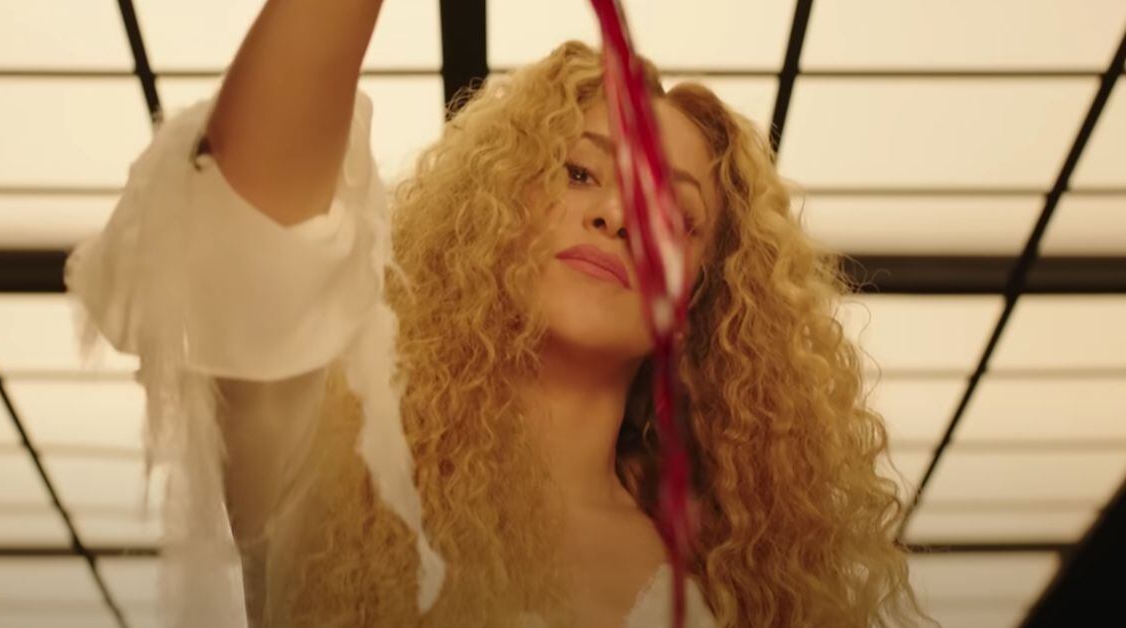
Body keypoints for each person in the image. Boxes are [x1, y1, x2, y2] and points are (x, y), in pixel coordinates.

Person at [66, 1, 930, 626]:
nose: (617, 214)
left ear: (700, 298)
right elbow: (252, 207)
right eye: (578, 173)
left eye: (673, 213)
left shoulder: (737, 585)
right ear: (493, 211)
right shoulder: (335, 459)